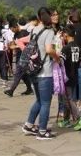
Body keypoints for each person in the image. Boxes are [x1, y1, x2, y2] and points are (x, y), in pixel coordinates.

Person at [22, 7, 59, 140]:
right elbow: (49, 49)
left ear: (39, 18)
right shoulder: (49, 31)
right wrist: (57, 58)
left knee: (39, 100)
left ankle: (29, 125)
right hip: (44, 71)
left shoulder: (34, 29)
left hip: (33, 70)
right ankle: (42, 131)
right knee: (45, 102)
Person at [59, 25, 81, 130]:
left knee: (68, 99)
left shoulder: (65, 48)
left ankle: (79, 118)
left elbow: (60, 62)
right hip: (75, 75)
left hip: (66, 76)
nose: (62, 36)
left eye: (63, 34)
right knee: (68, 98)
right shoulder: (78, 47)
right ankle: (66, 120)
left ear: (66, 34)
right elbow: (80, 62)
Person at [4, 18, 34, 96]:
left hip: (25, 57)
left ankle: (11, 90)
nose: (13, 31)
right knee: (23, 75)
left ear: (16, 26)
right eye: (11, 30)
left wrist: (17, 46)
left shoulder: (24, 33)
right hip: (18, 56)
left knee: (18, 73)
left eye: (13, 29)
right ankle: (29, 89)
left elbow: (29, 45)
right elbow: (13, 44)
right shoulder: (15, 34)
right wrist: (10, 47)